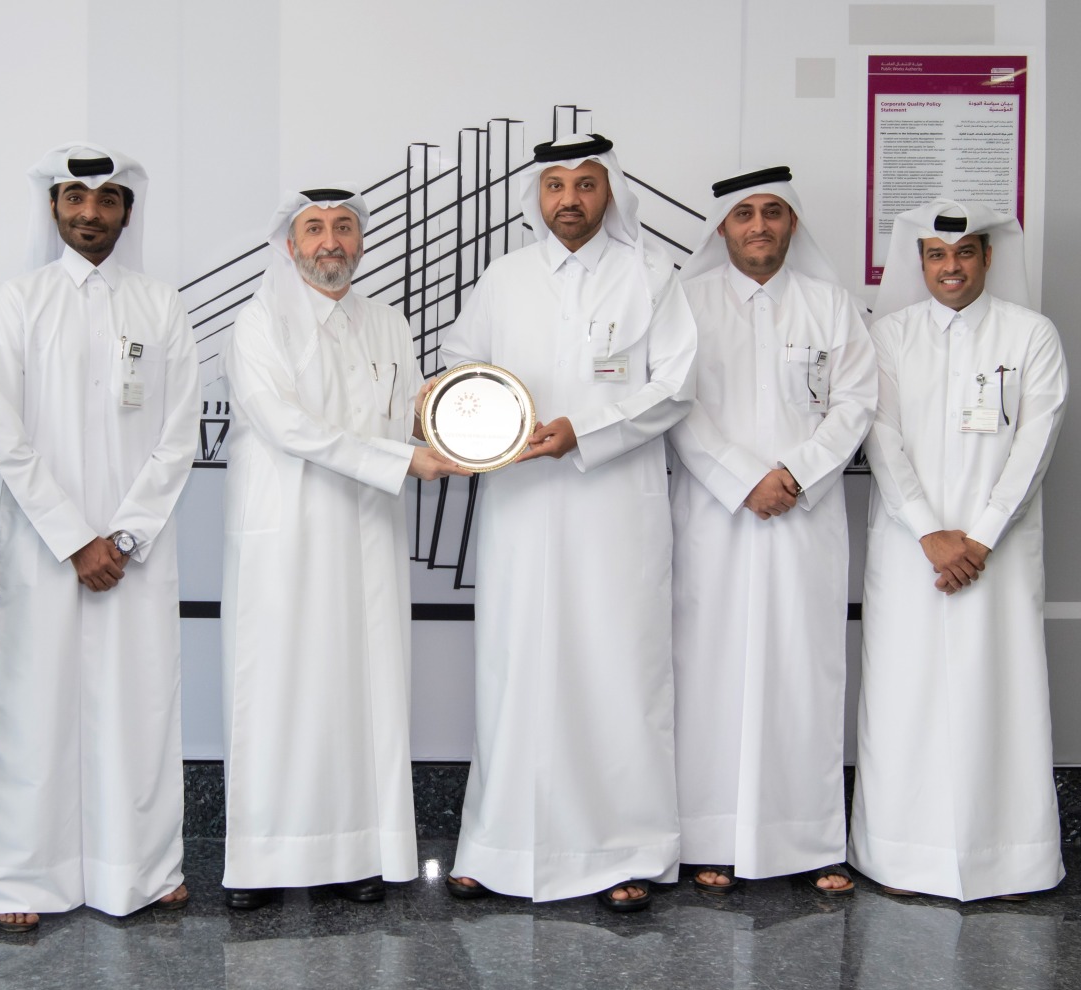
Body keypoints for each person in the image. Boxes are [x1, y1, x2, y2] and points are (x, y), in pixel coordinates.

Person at [441, 133, 697, 912]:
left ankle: (626, 852)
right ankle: (497, 846)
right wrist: (470, 412)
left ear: (610, 192)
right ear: (538, 196)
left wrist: (585, 429)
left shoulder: (652, 275)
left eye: (587, 184)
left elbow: (676, 385)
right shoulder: (505, 277)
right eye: (556, 185)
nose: (571, 200)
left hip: (615, 512)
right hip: (521, 507)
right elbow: (460, 362)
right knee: (515, 671)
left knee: (617, 674)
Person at [220, 188, 470, 910]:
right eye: (315, 229)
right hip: (287, 534)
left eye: (344, 229)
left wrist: (445, 419)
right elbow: (284, 424)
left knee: (361, 693)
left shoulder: (388, 323)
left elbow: (401, 415)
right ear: (290, 244)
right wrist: (400, 462)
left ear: (360, 243)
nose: (331, 241)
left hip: (366, 533)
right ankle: (263, 863)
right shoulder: (257, 321)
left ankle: (357, 852)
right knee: (280, 692)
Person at [0, 143, 200, 931]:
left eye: (106, 202)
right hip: (46, 545)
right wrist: (75, 539)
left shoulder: (160, 304)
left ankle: (138, 871)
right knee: (36, 706)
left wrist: (125, 536)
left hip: (135, 550)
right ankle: (22, 878)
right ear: (53, 208)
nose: (90, 215)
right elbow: (6, 429)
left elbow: (179, 434)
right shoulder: (20, 300)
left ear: (126, 212)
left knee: (137, 703)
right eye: (75, 199)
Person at [848, 201, 1067, 901]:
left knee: (995, 694)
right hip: (911, 548)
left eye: (965, 254)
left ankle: (1008, 858)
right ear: (920, 263)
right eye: (938, 256)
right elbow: (881, 437)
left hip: (996, 553)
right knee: (905, 696)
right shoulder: (888, 336)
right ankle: (899, 855)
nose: (951, 267)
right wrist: (930, 532)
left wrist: (978, 537)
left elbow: (1037, 440)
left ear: (988, 259)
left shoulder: (1031, 334)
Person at [669, 166, 876, 898]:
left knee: (802, 672)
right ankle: (709, 839)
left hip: (803, 518)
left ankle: (807, 840)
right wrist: (740, 478)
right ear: (722, 228)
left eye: (772, 213)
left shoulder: (831, 305)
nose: (758, 225)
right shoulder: (684, 304)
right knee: (709, 672)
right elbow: (675, 405)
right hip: (714, 519)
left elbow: (856, 404)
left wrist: (797, 473)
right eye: (743, 214)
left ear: (792, 224)